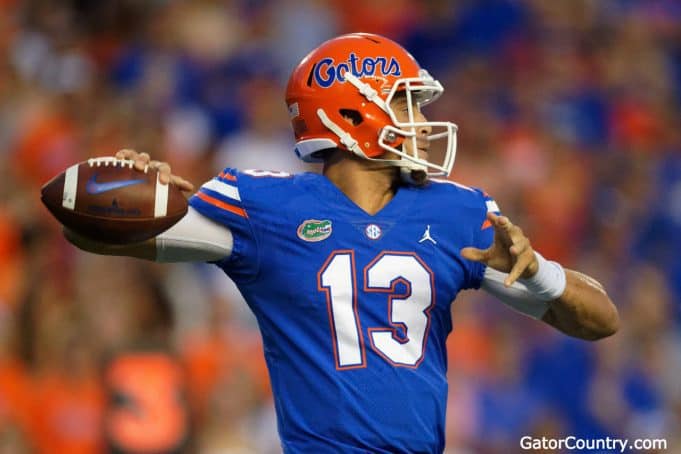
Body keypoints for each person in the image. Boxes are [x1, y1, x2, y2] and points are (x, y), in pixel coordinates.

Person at [65, 33, 619, 453]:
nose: (423, 122)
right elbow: (91, 229)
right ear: (352, 113)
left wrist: (541, 273)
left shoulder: (459, 212)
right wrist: (118, 192)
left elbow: (600, 320)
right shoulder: (262, 205)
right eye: (406, 103)